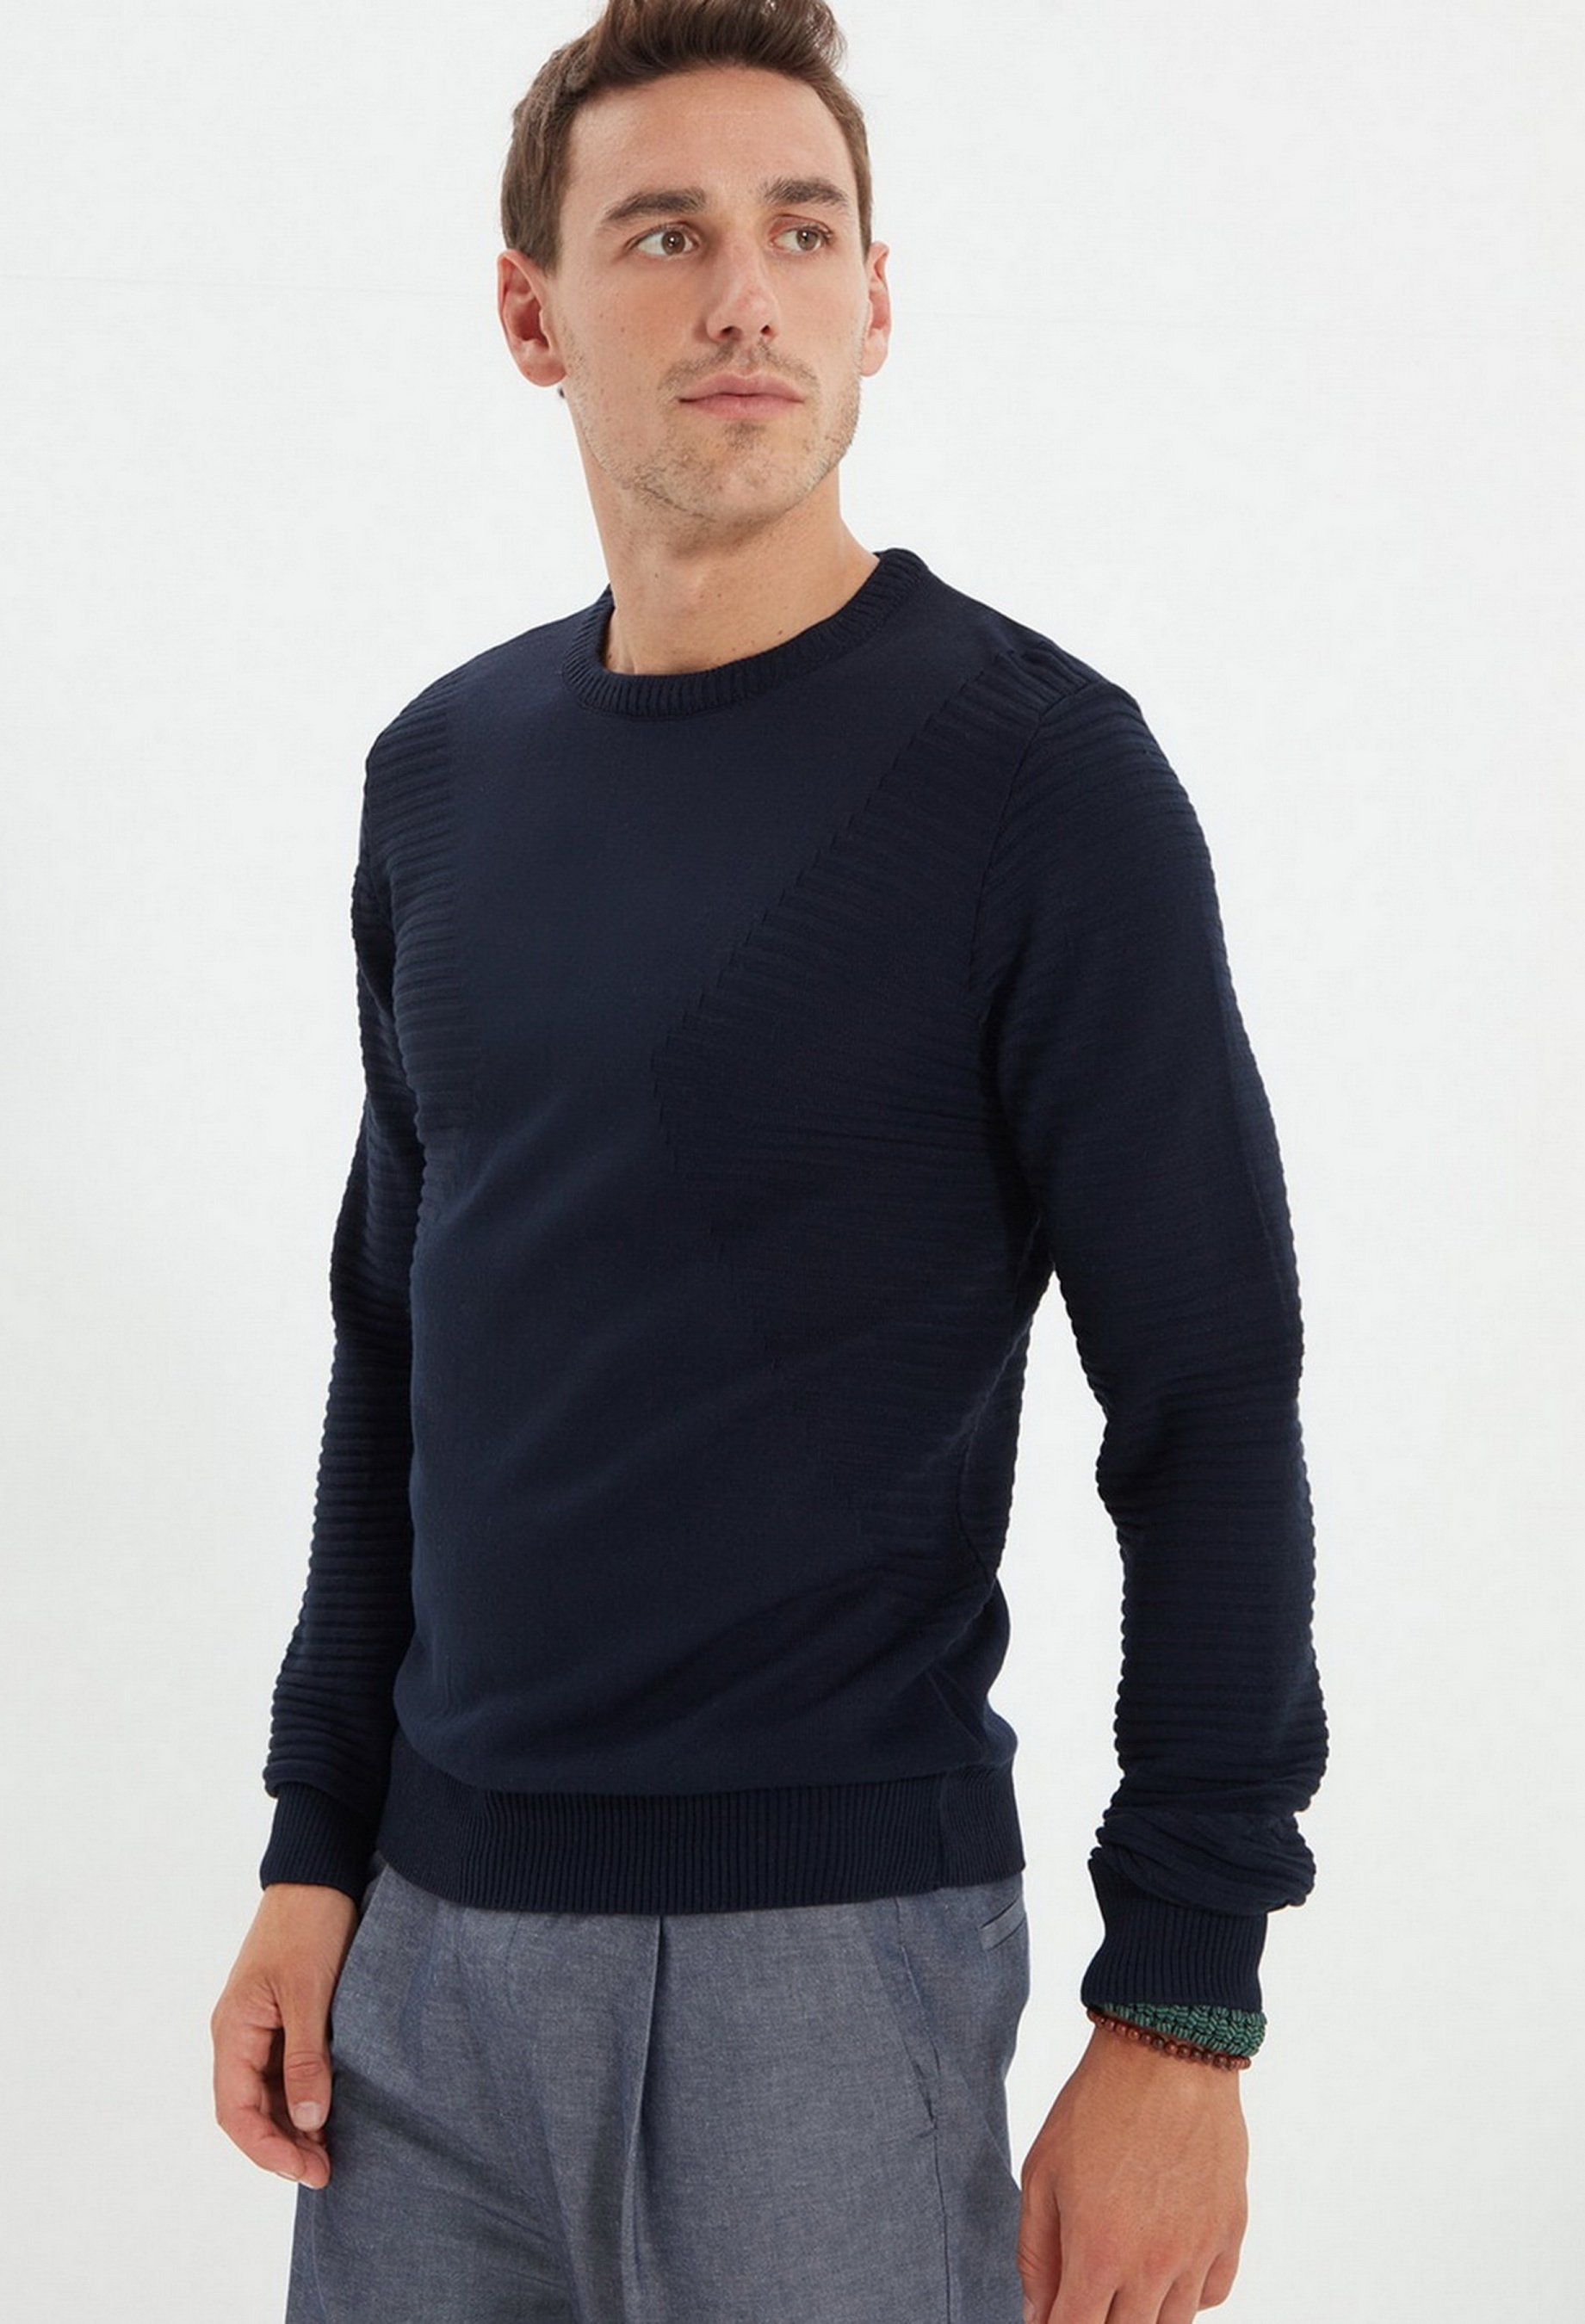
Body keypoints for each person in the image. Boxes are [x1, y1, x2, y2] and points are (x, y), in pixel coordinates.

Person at [209, 3, 1328, 2319]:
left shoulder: (1039, 784)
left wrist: (1182, 2006)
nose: (745, 294)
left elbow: (1208, 1398)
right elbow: (398, 1339)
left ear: (876, 301)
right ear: (530, 312)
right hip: (423, 1969)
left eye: (801, 232)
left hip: (828, 1963)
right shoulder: (441, 778)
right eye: (664, 234)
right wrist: (316, 1844)